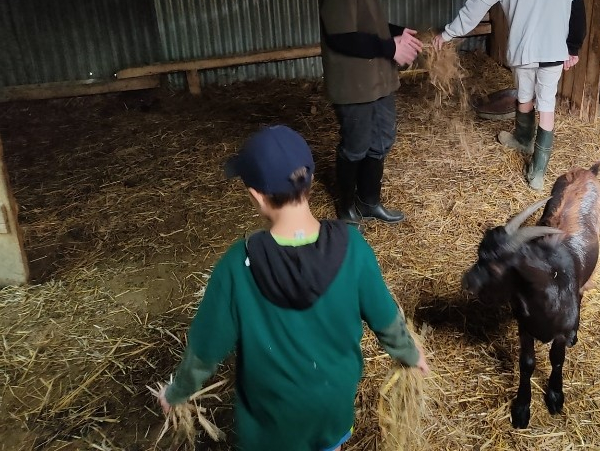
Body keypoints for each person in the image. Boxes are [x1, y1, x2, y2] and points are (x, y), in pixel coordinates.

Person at [154, 125, 429, 451]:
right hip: (332, 411)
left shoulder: (237, 265)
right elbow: (386, 320)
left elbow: (205, 349)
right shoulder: (353, 247)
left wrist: (177, 392)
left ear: (255, 195)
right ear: (310, 182)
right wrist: (412, 356)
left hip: (270, 426)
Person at [431, 0, 586, 190]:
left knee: (525, 96)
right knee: (547, 105)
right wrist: (573, 46)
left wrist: (448, 33)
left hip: (524, 49)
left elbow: (476, 7)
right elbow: (578, 6)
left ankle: (524, 141)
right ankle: (538, 170)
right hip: (555, 50)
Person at [310, 0, 423, 224]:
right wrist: (390, 47)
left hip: (377, 79)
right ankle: (346, 207)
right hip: (354, 82)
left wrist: (397, 32)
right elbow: (341, 35)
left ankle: (369, 200)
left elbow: (368, 24)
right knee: (356, 145)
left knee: (382, 139)